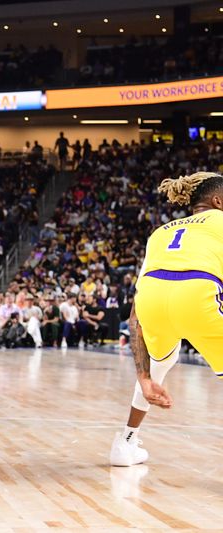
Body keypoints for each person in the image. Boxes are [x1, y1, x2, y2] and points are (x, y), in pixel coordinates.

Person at [110, 172, 223, 467]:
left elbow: (136, 313)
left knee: (157, 368)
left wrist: (144, 378)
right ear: (218, 201)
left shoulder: (160, 232)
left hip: (152, 302)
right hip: (199, 295)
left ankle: (125, 442)